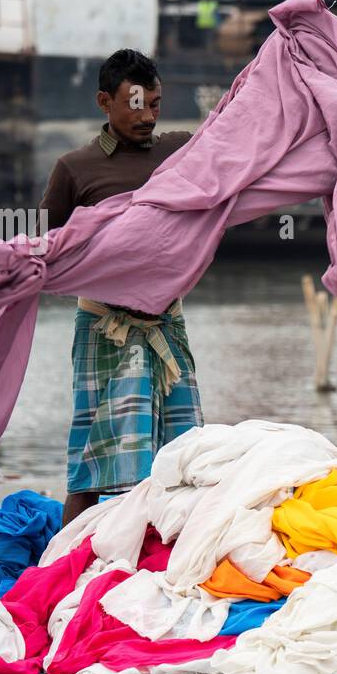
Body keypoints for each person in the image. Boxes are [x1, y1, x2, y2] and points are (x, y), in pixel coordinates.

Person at [39, 49, 202, 525]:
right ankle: (63, 570)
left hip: (167, 326)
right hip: (103, 329)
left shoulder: (180, 153)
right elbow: (41, 250)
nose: (147, 116)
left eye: (154, 103)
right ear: (103, 102)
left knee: (185, 458)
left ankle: (164, 562)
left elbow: (240, 161)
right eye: (134, 103)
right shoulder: (75, 169)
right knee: (89, 466)